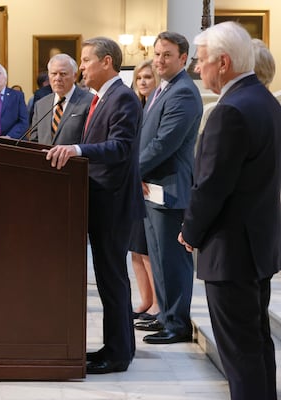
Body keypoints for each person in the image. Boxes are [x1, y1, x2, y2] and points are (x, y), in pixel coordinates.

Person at [178, 21, 281, 400]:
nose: (197, 69)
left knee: (239, 351)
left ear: (223, 63)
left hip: (232, 249)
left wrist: (190, 231)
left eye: (201, 61)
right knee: (255, 344)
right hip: (256, 246)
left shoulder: (231, 110)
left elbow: (212, 186)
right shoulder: (265, 100)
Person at [46, 36, 144, 374]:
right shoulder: (103, 97)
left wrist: (77, 150)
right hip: (100, 199)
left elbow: (120, 147)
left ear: (106, 62)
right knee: (107, 280)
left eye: (86, 60)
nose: (82, 66)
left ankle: (118, 355)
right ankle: (117, 346)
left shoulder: (123, 98)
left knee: (113, 280)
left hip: (113, 203)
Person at [132, 32, 202, 345]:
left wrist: (131, 171)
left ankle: (177, 323)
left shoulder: (184, 92)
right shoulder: (165, 88)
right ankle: (165, 317)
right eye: (157, 54)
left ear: (183, 58)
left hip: (169, 187)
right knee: (158, 257)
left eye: (167, 55)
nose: (160, 60)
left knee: (172, 259)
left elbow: (164, 144)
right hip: (152, 185)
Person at [128, 59, 160, 320]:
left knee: (148, 250)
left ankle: (157, 305)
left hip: (148, 182)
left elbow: (156, 148)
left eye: (148, 77)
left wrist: (139, 173)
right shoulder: (135, 106)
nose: (143, 82)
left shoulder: (157, 106)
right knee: (135, 249)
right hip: (132, 183)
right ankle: (145, 301)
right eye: (139, 78)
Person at [28, 53, 92, 145]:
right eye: (53, 74)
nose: (57, 78)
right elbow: (34, 141)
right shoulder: (41, 104)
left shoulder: (89, 102)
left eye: (63, 74)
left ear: (74, 76)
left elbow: (90, 141)